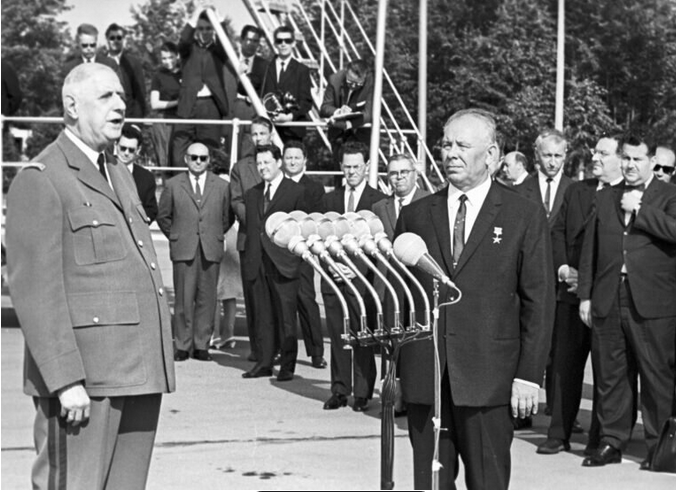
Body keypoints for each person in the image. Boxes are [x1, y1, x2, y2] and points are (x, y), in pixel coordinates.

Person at [5, 63, 175, 489]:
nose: (119, 106)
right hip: (86, 383)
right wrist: (65, 381)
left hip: (138, 374)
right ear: (71, 106)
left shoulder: (120, 174)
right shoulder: (43, 178)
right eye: (105, 97)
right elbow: (36, 293)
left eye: (122, 97)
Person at [396, 109, 555, 489]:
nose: (451, 153)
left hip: (490, 381)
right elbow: (402, 298)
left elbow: (539, 302)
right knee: (430, 483)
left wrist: (528, 376)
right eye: (446, 144)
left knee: (487, 483)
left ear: (492, 154)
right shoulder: (416, 215)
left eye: (463, 145)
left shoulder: (523, 214)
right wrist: (400, 370)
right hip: (427, 381)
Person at [578, 132, 676, 469]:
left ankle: (658, 447)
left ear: (652, 161)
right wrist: (586, 295)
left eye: (638, 159)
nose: (631, 165)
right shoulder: (605, 196)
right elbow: (590, 249)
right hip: (608, 297)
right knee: (611, 375)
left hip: (653, 302)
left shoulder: (668, 195)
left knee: (655, 377)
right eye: (626, 158)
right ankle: (611, 441)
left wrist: (642, 210)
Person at [536, 134, 625, 456]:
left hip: (607, 299)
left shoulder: (629, 196)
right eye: (594, 151)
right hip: (570, 294)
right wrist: (563, 269)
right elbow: (557, 232)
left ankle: (599, 438)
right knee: (564, 367)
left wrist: (592, 283)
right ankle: (558, 433)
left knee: (606, 372)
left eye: (603, 153)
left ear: (621, 159)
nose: (594, 157)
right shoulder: (577, 190)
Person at [321, 140, 387, 412]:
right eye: (347, 167)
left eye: (356, 167)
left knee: (362, 336)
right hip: (333, 277)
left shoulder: (377, 201)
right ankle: (339, 390)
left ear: (366, 166)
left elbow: (378, 244)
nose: (351, 172)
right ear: (341, 167)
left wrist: (357, 270)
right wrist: (331, 266)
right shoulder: (329, 200)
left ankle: (362, 392)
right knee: (338, 336)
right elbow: (319, 238)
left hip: (362, 280)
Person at [515, 128, 572, 425]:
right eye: (547, 155)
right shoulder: (518, 191)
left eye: (558, 156)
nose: (552, 161)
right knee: (529, 342)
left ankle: (560, 413)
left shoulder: (574, 190)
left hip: (562, 282)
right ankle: (523, 409)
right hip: (528, 279)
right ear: (536, 155)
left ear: (565, 156)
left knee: (561, 352)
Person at [157, 141, 232, 362]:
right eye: (194, 157)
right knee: (183, 299)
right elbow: (164, 216)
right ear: (186, 159)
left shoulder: (221, 186)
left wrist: (212, 234)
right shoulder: (173, 185)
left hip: (210, 248)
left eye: (203, 158)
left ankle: (201, 345)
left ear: (209, 160)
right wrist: (177, 235)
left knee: (207, 299)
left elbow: (227, 217)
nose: (198, 162)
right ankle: (182, 345)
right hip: (184, 248)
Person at [240, 144, 306, 381]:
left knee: (287, 317)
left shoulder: (296, 192)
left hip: (284, 263)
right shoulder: (252, 194)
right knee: (263, 316)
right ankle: (265, 362)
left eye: (267, 162)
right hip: (258, 263)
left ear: (279, 162)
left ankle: (287, 365)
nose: (262, 167)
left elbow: (302, 229)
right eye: (259, 163)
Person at [229, 116, 276, 361]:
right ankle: (258, 349)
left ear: (270, 134)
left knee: (276, 297)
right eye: (254, 134)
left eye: (262, 133)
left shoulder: (278, 161)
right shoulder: (240, 168)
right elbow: (236, 200)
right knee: (254, 298)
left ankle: (278, 348)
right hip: (249, 239)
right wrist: (256, 221)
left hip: (277, 241)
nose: (258, 138)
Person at [282, 140, 327, 369]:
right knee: (282, 305)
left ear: (305, 160)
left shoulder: (314, 188)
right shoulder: (277, 185)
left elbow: (317, 219)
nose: (292, 162)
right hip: (279, 253)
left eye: (296, 158)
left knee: (307, 300)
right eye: (288, 157)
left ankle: (316, 352)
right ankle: (283, 351)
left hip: (303, 253)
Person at [172, 8, 231, 165]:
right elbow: (184, 41)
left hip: (211, 106)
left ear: (213, 30)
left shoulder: (219, 51)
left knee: (211, 151)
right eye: (201, 28)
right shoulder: (188, 50)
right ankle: (180, 180)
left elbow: (225, 41)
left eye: (208, 28)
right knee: (180, 150)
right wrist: (196, 14)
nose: (205, 32)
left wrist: (218, 18)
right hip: (187, 104)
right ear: (197, 30)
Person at [320, 59, 374, 182]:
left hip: (361, 135)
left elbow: (369, 114)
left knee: (360, 176)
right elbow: (324, 108)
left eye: (358, 84)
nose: (353, 86)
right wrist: (338, 111)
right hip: (338, 136)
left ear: (365, 77)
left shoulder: (372, 82)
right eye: (350, 82)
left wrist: (348, 124)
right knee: (339, 175)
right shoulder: (334, 79)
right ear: (346, 72)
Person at [260, 25, 312, 144]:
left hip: (293, 130)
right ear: (275, 44)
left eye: (287, 41)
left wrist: (289, 117)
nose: (283, 44)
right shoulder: (265, 68)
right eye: (279, 41)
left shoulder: (302, 70)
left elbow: (306, 102)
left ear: (293, 43)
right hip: (268, 130)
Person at [210, 162, 242, 350]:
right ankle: (223, 334)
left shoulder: (218, 190)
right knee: (224, 292)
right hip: (226, 236)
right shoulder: (229, 188)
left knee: (220, 291)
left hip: (224, 237)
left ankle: (219, 335)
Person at [372, 154, 430, 240]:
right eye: (393, 173)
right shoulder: (379, 208)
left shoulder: (430, 202)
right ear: (388, 177)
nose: (399, 177)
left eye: (404, 172)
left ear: (415, 174)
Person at [115, 123, 158, 223]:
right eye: (123, 148)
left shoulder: (147, 178)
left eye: (131, 150)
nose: (126, 153)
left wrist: (140, 222)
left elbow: (151, 209)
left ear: (138, 150)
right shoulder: (103, 168)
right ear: (116, 145)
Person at [149, 41, 182, 169]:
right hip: (163, 121)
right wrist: (177, 102)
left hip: (182, 120)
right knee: (164, 160)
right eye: (164, 58)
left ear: (177, 56)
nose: (168, 61)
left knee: (180, 158)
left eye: (171, 57)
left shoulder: (185, 73)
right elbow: (154, 104)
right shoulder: (158, 76)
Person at [105, 23, 147, 119]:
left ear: (123, 39)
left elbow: (140, 93)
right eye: (112, 38)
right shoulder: (100, 63)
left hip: (129, 117)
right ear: (107, 39)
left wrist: (135, 121)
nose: (115, 41)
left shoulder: (133, 63)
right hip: (106, 117)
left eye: (119, 38)